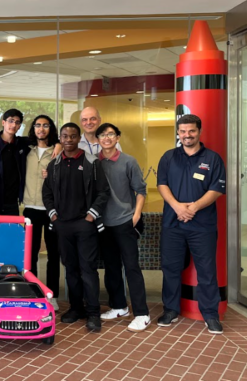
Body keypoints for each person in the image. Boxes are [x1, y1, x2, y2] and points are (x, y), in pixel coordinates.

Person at [156, 114, 226, 334]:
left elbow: (216, 190)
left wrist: (192, 208)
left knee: (206, 270)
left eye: (191, 131)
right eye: (183, 131)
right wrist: (178, 207)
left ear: (199, 132)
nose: (187, 135)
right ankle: (170, 310)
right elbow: (162, 185)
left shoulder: (213, 159)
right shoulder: (168, 157)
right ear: (178, 133)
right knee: (171, 269)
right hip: (172, 224)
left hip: (202, 226)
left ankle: (211, 315)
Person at [0, 109, 61, 277]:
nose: (13, 125)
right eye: (10, 121)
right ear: (3, 122)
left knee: (12, 246)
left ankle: (9, 283)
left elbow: (47, 138)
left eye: (17, 122)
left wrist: (58, 144)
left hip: (12, 205)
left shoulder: (22, 144)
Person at [42, 122, 110, 331]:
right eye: (65, 136)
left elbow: (103, 192)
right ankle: (75, 307)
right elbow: (47, 193)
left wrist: (91, 216)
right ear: (60, 139)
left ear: (78, 138)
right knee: (70, 269)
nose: (68, 140)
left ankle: (93, 312)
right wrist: (53, 216)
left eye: (72, 136)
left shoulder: (91, 162)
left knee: (88, 270)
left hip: (85, 225)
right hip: (63, 226)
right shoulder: (54, 165)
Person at [93, 123, 150, 332]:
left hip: (125, 221)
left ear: (117, 137)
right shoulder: (94, 162)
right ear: (97, 139)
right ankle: (119, 306)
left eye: (110, 134)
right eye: (102, 135)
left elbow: (141, 190)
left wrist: (135, 215)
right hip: (104, 224)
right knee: (112, 267)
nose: (106, 138)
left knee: (132, 267)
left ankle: (142, 313)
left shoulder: (129, 161)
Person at [22, 115, 61, 311]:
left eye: (45, 125)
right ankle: (33, 292)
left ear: (50, 129)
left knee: (54, 254)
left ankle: (51, 294)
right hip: (30, 208)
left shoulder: (58, 151)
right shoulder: (25, 151)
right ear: (33, 129)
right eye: (38, 125)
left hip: (52, 209)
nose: (41, 129)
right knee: (31, 254)